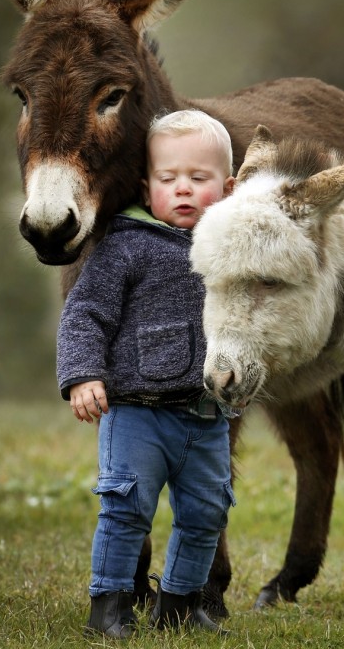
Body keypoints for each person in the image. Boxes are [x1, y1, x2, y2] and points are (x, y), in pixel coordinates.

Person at [56, 109, 236, 640]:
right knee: (126, 510)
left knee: (207, 514)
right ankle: (108, 606)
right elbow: (86, 313)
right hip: (136, 412)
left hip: (207, 419)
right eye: (168, 179)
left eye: (199, 179)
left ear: (227, 188)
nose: (183, 189)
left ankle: (179, 604)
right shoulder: (127, 245)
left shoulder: (228, 253)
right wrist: (83, 375)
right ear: (145, 186)